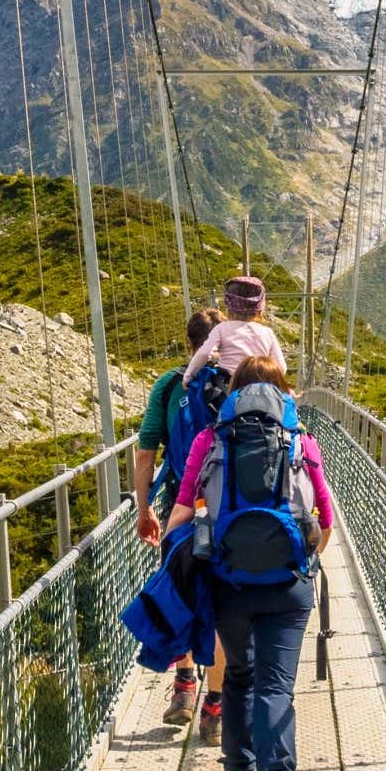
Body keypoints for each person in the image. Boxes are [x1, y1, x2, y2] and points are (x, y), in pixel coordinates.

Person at [163, 355, 332, 771]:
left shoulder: (208, 441)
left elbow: (178, 519)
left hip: (229, 582)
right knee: (275, 685)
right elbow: (325, 519)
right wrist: (306, 563)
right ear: (283, 396)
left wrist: (183, 557)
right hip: (288, 585)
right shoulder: (302, 442)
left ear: (233, 393)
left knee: (238, 675)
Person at [132, 309, 229, 734]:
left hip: (182, 507)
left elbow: (145, 451)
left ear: (189, 343)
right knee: (225, 602)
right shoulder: (240, 383)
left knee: (183, 590)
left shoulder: (171, 385)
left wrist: (143, 508)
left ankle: (185, 686)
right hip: (229, 510)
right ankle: (216, 705)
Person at [182, 276, 286, 386]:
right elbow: (281, 367)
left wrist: (188, 377)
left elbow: (204, 353)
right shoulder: (267, 333)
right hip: (260, 387)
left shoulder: (222, 328)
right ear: (260, 308)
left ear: (228, 305)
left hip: (230, 386)